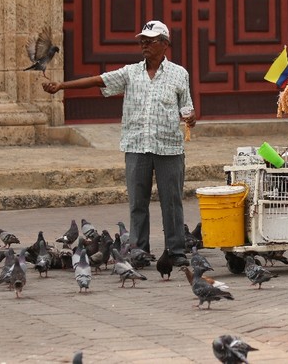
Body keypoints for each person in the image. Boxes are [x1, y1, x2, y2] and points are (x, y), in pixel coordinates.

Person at [42, 20, 196, 267]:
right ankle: (139, 250)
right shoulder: (130, 72)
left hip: (169, 148)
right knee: (137, 203)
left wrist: (191, 117)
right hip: (136, 146)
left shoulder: (180, 74)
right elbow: (97, 80)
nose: (144, 45)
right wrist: (61, 86)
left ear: (165, 44)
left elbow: (187, 107)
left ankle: (176, 250)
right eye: (142, 41)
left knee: (172, 202)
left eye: (150, 41)